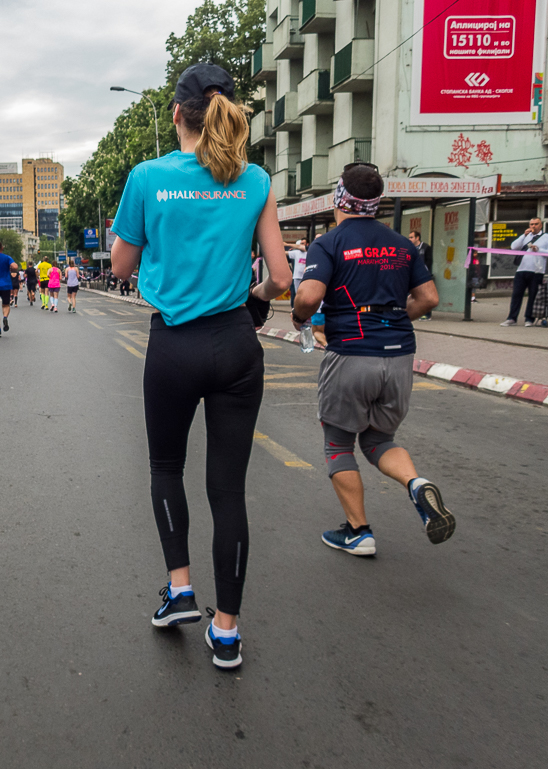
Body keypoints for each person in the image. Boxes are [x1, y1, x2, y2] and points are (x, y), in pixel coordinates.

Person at [110, 62, 292, 670]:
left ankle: (180, 591)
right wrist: (254, 298)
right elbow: (282, 278)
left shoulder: (147, 177)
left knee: (166, 468)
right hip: (237, 345)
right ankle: (228, 631)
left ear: (176, 114)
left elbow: (118, 268)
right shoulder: (257, 179)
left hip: (173, 347)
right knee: (228, 490)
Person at [291, 162, 453, 559]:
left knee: (338, 443)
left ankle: (359, 531)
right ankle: (415, 484)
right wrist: (396, 319)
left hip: (352, 353)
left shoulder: (328, 243)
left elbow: (310, 296)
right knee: (380, 438)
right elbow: (429, 298)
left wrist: (299, 318)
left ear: (339, 197)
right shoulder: (402, 244)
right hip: (400, 355)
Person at [501, 218, 548, 327]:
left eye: (536, 224)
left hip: (536, 271)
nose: (533, 226)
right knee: (516, 294)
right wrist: (523, 236)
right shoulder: (526, 237)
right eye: (531, 224)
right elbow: (513, 247)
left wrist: (539, 249)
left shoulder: (547, 237)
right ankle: (512, 318)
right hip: (521, 270)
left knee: (533, 295)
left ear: (541, 225)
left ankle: (529, 318)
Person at [408, 231, 433, 320]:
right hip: (411, 275)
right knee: (411, 296)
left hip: (422, 276)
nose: (409, 239)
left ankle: (427, 314)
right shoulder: (410, 248)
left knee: (425, 295)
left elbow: (429, 262)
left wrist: (424, 272)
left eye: (411, 237)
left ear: (417, 238)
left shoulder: (426, 248)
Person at [286, 239, 307, 305]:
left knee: (305, 293)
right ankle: (295, 308)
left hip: (306, 277)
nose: (301, 245)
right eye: (301, 243)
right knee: (296, 294)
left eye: (303, 243)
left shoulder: (309, 252)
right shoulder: (296, 252)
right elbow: (285, 253)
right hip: (297, 276)